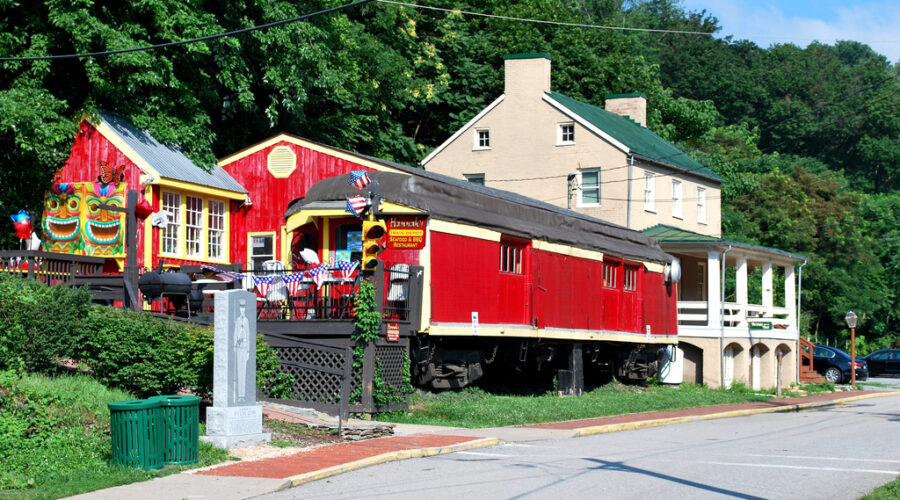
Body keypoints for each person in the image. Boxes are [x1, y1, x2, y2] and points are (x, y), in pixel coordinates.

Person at [233, 298, 251, 403]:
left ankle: (242, 395)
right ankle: (238, 395)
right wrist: (234, 346)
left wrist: (248, 350)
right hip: (238, 347)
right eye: (241, 307)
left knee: (243, 372)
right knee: (239, 372)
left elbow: (248, 335)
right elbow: (235, 333)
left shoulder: (246, 320)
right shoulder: (238, 320)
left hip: (244, 347)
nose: (242, 310)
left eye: (243, 307)